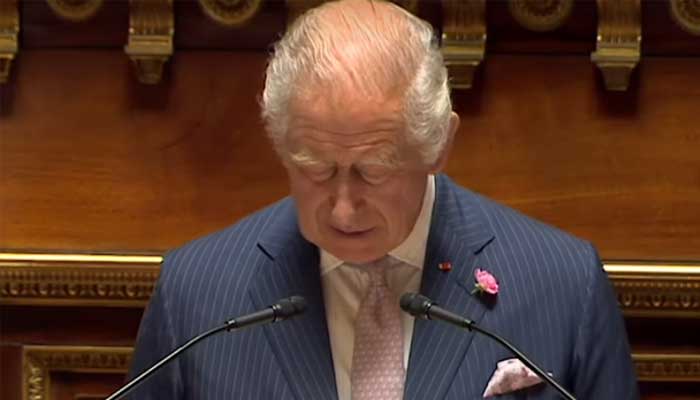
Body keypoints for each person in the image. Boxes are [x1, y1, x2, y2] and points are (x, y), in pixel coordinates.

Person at [127, 0, 639, 399]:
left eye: (373, 172)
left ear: (439, 146)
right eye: (314, 168)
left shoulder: (562, 284)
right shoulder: (196, 293)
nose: (343, 209)